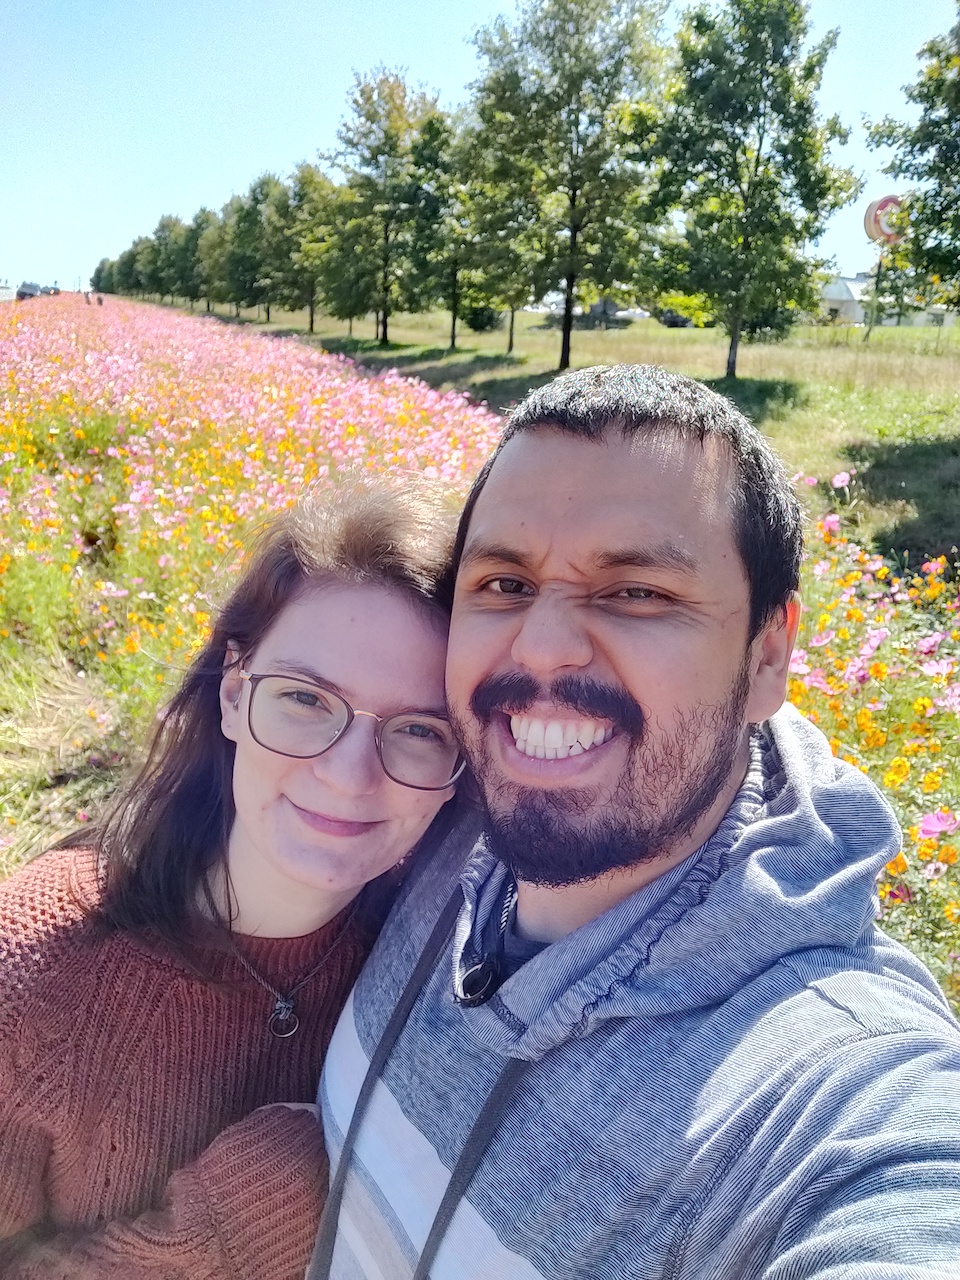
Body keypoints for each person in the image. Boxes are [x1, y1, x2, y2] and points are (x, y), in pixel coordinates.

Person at [312, 364, 960, 1280]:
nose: (539, 646)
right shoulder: (424, 815)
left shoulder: (826, 1098)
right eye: (503, 583)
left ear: (767, 657)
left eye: (638, 593)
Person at [0, 479, 469, 1279]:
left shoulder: (441, 972)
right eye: (304, 698)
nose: (349, 773)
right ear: (231, 691)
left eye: (421, 729)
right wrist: (215, 1244)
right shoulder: (35, 969)